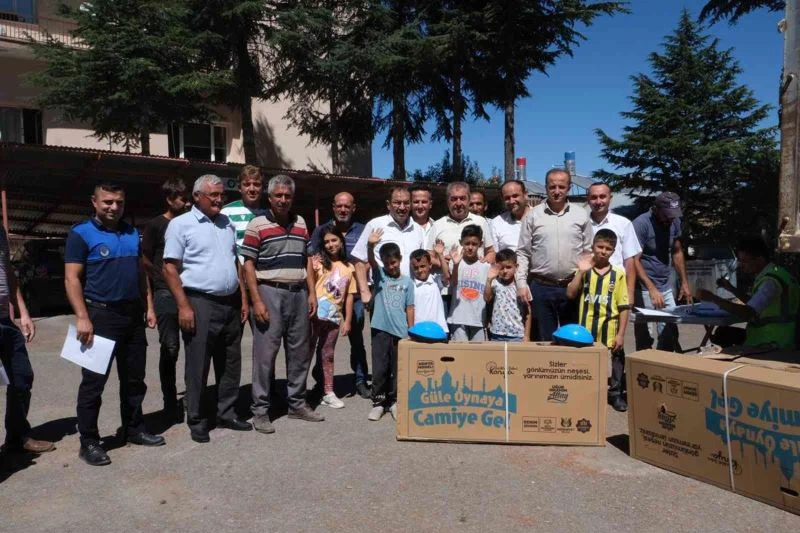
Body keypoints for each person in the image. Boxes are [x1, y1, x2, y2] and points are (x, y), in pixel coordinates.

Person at [64, 182, 163, 466]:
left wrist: (149, 306)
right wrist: (82, 316)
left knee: (134, 379)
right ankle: (90, 441)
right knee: (93, 384)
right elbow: (72, 278)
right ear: (94, 202)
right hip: (100, 316)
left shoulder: (132, 233)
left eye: (118, 202)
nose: (113, 207)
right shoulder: (81, 233)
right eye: (107, 202)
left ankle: (133, 429)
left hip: (132, 316)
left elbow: (141, 274)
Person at [163, 175, 251, 444]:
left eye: (221, 194)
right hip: (199, 302)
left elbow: (236, 263)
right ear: (197, 196)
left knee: (230, 361)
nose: (219, 199)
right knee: (198, 363)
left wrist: (244, 299)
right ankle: (198, 418)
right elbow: (169, 268)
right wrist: (183, 306)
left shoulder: (226, 223)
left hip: (230, 302)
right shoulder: (181, 225)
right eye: (213, 195)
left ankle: (226, 412)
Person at [242, 174, 323, 434]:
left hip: (298, 292)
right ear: (270, 197)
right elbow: (248, 265)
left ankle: (297, 403)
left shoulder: (300, 223)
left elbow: (307, 260)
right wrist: (256, 300)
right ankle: (261, 410)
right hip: (269, 292)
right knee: (265, 355)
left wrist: (312, 293)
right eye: (278, 195)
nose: (283, 200)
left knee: (299, 352)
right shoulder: (257, 225)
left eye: (287, 196)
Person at [516, 168, 592, 341]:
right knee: (544, 341)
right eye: (552, 187)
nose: (557, 191)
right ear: (546, 187)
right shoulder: (533, 216)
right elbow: (523, 252)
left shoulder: (581, 215)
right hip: (541, 288)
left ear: (569, 188)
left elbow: (588, 252)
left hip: (572, 287)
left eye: (561, 187)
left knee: (572, 340)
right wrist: (521, 283)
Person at [308, 192, 369, 399]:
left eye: (347, 206)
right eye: (339, 206)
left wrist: (361, 271)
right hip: (328, 296)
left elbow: (370, 256)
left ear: (354, 208)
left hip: (353, 293)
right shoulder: (321, 231)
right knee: (322, 340)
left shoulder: (362, 230)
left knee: (356, 337)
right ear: (333, 207)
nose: (343, 210)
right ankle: (322, 382)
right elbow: (312, 257)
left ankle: (360, 380)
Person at [0, 226, 54, 456]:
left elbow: (8, 272)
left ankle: (17, 436)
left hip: (4, 320)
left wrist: (23, 311)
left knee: (21, 378)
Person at [141, 177, 191, 423]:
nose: (185, 201)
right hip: (164, 292)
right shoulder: (156, 225)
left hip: (190, 291)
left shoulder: (189, 223)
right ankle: (169, 400)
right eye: (181, 197)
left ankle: (193, 398)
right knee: (170, 347)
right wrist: (160, 276)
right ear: (170, 199)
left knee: (195, 347)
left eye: (186, 196)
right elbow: (145, 258)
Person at [696, 235, 800, 351]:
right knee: (723, 332)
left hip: (773, 340)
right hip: (780, 335)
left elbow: (748, 313)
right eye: (740, 260)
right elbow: (755, 303)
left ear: (760, 259)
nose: (741, 265)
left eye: (745, 261)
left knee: (722, 335)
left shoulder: (770, 283)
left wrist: (713, 298)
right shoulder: (778, 274)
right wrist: (731, 288)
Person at [566, 229, 630, 412]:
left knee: (617, 359)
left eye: (608, 248)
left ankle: (615, 394)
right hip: (586, 329)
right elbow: (570, 294)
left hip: (610, 327)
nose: (603, 251)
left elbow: (624, 307)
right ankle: (586, 392)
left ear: (614, 251)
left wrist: (621, 334)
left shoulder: (618, 275)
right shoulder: (584, 271)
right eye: (600, 247)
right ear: (593, 246)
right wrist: (580, 273)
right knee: (585, 362)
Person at [633, 192, 691, 351]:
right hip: (644, 288)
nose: (670, 219)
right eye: (667, 215)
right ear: (656, 209)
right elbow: (633, 260)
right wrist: (651, 288)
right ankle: (643, 371)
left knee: (670, 331)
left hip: (665, 284)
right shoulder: (641, 224)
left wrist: (684, 282)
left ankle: (664, 370)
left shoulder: (675, 221)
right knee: (645, 336)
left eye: (673, 215)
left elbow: (677, 251)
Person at [365, 236, 414, 421]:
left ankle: (394, 400)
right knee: (380, 367)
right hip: (380, 329)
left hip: (400, 332)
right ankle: (378, 402)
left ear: (400, 259)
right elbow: (370, 260)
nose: (391, 266)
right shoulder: (380, 276)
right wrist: (370, 245)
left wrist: (411, 330)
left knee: (396, 368)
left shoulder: (408, 282)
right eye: (387, 263)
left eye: (393, 262)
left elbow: (410, 308)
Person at [352, 187, 426, 303]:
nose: (402, 207)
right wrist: (364, 291)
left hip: (412, 295)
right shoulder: (375, 225)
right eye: (397, 203)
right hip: (383, 295)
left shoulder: (417, 229)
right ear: (388, 204)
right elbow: (359, 260)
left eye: (406, 203)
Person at [309, 227, 356, 409]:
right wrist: (312, 267)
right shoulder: (319, 262)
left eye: (334, 240)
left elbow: (350, 296)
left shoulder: (349, 267)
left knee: (327, 354)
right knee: (307, 351)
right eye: (327, 242)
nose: (330, 244)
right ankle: (298, 392)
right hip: (315, 315)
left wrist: (348, 320)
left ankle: (328, 391)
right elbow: (311, 283)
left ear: (341, 241)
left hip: (334, 318)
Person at [586, 182, 641, 303]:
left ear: (610, 198)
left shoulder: (623, 224)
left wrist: (629, 293)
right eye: (594, 197)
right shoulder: (581, 224)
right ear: (588, 200)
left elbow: (629, 261)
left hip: (616, 287)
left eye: (602, 196)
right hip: (588, 288)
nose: (598, 201)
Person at [447, 225, 491, 341]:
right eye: (467, 244)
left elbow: (488, 297)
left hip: (478, 320)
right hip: (458, 319)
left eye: (474, 244)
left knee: (479, 356)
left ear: (480, 244)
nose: (470, 247)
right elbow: (453, 284)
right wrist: (456, 265)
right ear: (461, 242)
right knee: (460, 355)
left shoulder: (486, 266)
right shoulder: (455, 262)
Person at [433, 182, 495, 263]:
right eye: (454, 199)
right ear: (448, 202)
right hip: (446, 275)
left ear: (469, 200)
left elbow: (491, 252)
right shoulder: (437, 225)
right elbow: (429, 255)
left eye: (462, 198)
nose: (458, 203)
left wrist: (483, 262)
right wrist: (440, 261)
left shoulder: (481, 222)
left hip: (475, 275)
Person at [220, 165, 266, 263]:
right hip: (238, 271)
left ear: (263, 187)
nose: (252, 189)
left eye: (256, 184)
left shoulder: (270, 213)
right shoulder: (226, 212)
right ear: (239, 188)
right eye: (247, 184)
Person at [484, 249, 531, 342]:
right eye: (501, 268)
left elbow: (528, 312)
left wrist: (527, 335)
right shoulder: (495, 283)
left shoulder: (521, 286)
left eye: (508, 267)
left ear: (516, 267)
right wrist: (489, 280)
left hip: (517, 335)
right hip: (497, 334)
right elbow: (487, 298)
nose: (505, 271)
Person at [410, 246, 449, 334]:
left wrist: (440, 255)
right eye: (416, 267)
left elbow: (446, 275)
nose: (420, 270)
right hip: (418, 331)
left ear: (430, 265)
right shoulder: (410, 286)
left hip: (439, 330)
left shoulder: (436, 280)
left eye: (423, 266)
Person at [491, 180, 530, 253]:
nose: (511, 201)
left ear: (525, 195)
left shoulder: (540, 217)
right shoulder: (496, 223)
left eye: (515, 196)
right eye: (507, 198)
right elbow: (494, 254)